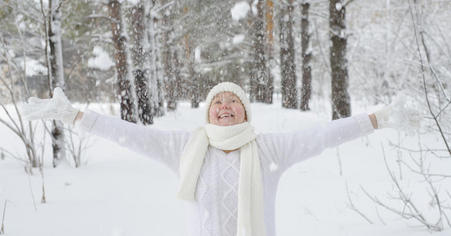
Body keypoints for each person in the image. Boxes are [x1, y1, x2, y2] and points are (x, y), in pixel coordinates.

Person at [22, 82, 394, 236]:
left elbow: (322, 136)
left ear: (246, 112)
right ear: (209, 113)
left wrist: (375, 120)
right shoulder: (187, 147)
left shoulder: (269, 150)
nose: (225, 106)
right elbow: (131, 135)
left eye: (233, 101)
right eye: (218, 101)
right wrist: (75, 116)